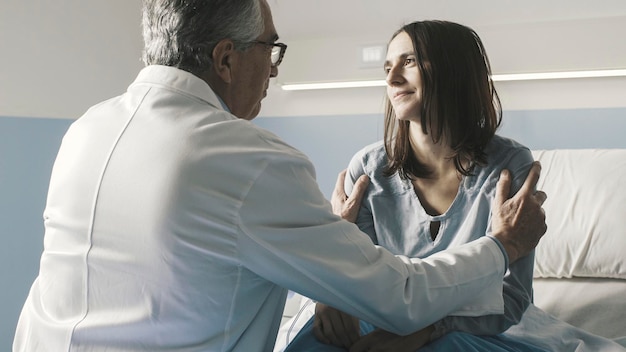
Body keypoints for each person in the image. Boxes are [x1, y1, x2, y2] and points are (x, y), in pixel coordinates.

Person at [12, 2, 547, 351]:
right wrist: (503, 245)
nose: (273, 68)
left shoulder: (86, 128)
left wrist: (330, 244)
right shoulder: (252, 158)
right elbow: (396, 294)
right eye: (271, 48)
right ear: (225, 59)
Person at [282, 21, 546, 352]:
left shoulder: (509, 166)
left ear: (455, 69)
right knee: (315, 341)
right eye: (388, 67)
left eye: (409, 62)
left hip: (482, 331)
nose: (392, 80)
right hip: (383, 317)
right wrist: (332, 285)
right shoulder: (367, 170)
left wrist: (426, 331)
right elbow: (360, 280)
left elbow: (511, 296)